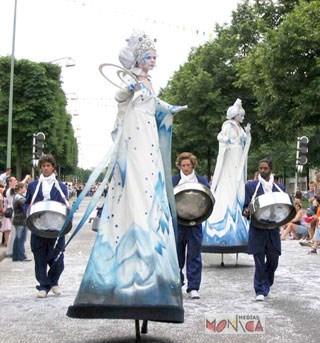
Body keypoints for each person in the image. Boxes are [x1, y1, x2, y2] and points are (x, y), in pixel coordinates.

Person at [67, 31, 186, 322]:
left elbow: (155, 105)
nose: (153, 61)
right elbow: (121, 97)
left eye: (155, 57)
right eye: (149, 57)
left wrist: (170, 109)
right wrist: (129, 89)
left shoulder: (149, 81)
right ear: (139, 58)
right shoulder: (131, 78)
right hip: (134, 133)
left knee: (149, 182)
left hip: (148, 135)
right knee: (134, 181)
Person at [203, 99, 251, 253]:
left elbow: (244, 142)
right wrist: (226, 140)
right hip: (230, 156)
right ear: (235, 115)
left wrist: (248, 135)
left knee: (237, 185)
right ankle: (222, 225)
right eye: (241, 115)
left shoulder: (240, 127)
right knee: (228, 183)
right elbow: (221, 137)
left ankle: (237, 222)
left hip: (237, 157)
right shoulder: (228, 125)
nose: (242, 118)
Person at [25, 155, 68, 298]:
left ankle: (54, 282)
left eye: (48, 165)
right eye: (43, 166)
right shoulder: (32, 186)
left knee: (58, 258)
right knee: (39, 258)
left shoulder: (61, 187)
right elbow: (27, 202)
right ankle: (43, 286)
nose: (45, 168)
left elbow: (65, 204)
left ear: (53, 167)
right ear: (41, 168)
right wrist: (27, 211)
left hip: (56, 227)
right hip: (38, 227)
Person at [243, 158, 285, 301]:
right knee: (259, 261)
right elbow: (245, 207)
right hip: (257, 228)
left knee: (274, 260)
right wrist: (246, 211)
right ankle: (259, 290)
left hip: (273, 228)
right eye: (260, 168)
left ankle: (266, 282)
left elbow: (283, 209)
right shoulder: (251, 187)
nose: (262, 171)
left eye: (265, 168)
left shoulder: (280, 188)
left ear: (270, 169)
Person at [172, 152, 210, 299]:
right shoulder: (174, 180)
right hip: (178, 223)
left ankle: (193, 287)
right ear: (179, 166)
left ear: (193, 165)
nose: (186, 168)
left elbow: (207, 199)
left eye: (188, 165)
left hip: (195, 221)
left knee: (194, 255)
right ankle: (177, 283)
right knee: (177, 255)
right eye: (183, 165)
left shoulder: (201, 179)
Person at [12, 182, 30, 262]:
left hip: (17, 220)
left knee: (17, 238)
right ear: (20, 189)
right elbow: (26, 207)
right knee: (21, 238)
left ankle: (15, 256)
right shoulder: (20, 198)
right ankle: (21, 256)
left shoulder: (16, 196)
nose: (25, 189)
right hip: (21, 220)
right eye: (24, 188)